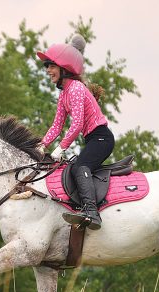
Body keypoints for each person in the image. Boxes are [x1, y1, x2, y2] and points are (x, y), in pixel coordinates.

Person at [37, 34, 115, 230]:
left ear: (64, 68)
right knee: (72, 168)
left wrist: (61, 148)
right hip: (93, 139)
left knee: (81, 168)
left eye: (51, 66)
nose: (48, 71)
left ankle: (92, 212)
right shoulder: (64, 94)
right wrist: (41, 145)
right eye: (47, 66)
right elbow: (56, 126)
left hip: (101, 138)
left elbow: (78, 124)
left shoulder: (76, 89)